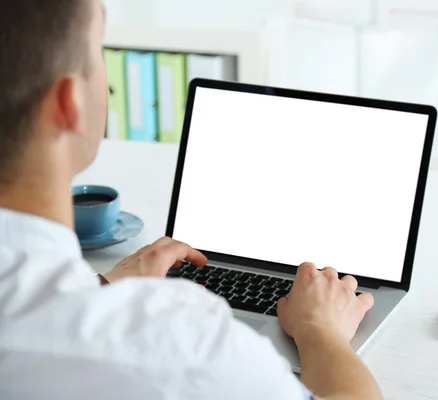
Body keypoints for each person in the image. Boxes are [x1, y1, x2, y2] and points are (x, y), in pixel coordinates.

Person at [0, 1, 382, 399]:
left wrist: (100, 287)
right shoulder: (180, 344)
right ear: (69, 104)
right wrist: (322, 331)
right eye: (97, 50)